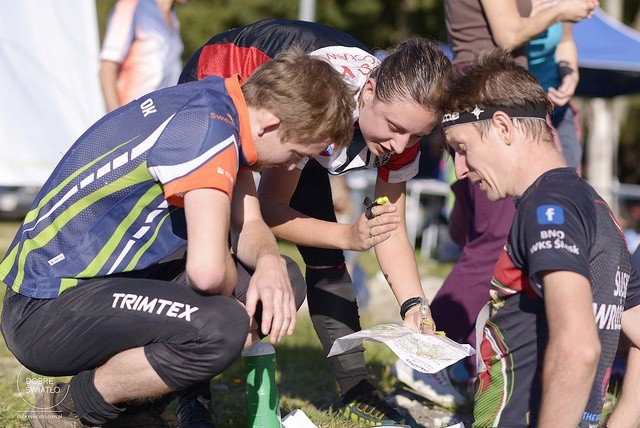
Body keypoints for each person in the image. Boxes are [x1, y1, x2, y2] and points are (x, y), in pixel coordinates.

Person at [0, 48, 356, 427]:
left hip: (102, 287)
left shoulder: (222, 107)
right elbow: (206, 272)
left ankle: (132, 407)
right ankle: (70, 407)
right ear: (270, 122)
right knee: (224, 326)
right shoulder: (208, 131)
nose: (290, 166)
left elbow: (251, 226)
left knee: (281, 280)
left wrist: (268, 262)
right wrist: (233, 316)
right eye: (295, 153)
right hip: (45, 309)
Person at [180, 18, 450, 427]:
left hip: (303, 117)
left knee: (327, 257)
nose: (400, 146)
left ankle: (357, 387)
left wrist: (415, 304)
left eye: (416, 137)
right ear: (370, 91)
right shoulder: (325, 102)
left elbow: (388, 224)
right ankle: (189, 391)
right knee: (205, 249)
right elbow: (272, 210)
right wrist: (348, 235)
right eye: (395, 129)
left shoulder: (399, 121)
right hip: (219, 83)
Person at [393, 0, 598, 410]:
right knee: (495, 239)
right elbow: (507, 35)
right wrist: (560, 12)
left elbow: (561, 41)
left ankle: (461, 359)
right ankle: (427, 359)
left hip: (512, 95)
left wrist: (566, 72)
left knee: (495, 237)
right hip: (481, 95)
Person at [438, 47, 640, 427]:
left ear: (502, 127)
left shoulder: (546, 207)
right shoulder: (596, 208)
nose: (461, 170)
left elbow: (578, 348)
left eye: (462, 149)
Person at [99, 0, 186, 112]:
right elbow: (107, 69)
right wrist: (117, 123)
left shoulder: (173, 19)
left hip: (161, 118)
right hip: (132, 118)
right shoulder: (131, 5)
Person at [528, 0, 583, 169]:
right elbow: (507, 39)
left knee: (569, 175)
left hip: (557, 108)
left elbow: (565, 42)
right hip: (519, 112)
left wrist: (570, 76)